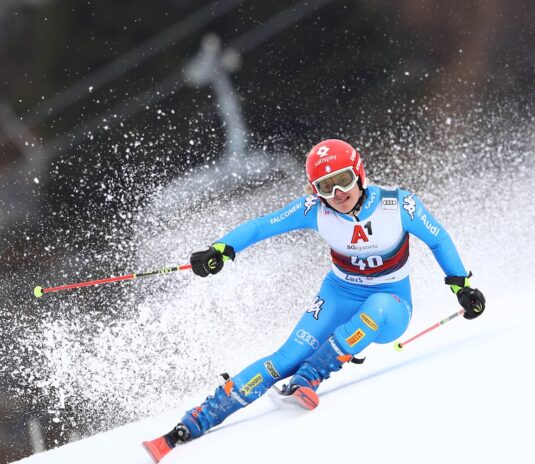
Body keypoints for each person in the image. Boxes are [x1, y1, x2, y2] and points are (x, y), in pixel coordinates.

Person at [143, 139, 485, 461]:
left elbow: (438, 240)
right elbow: (262, 226)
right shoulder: (314, 210)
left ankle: (310, 376)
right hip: (339, 294)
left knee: (376, 309)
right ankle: (198, 419)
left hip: (391, 304)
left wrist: (462, 287)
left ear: (359, 174)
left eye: (343, 181)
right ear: (315, 190)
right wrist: (220, 249)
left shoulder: (398, 205)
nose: (337, 194)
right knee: (285, 359)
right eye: (325, 186)